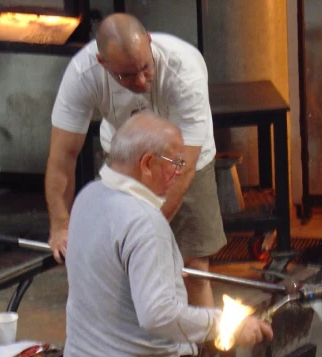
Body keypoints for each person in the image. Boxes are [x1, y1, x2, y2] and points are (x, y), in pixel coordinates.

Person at [64, 112, 273, 357]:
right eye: (175, 163)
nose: (179, 172)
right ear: (147, 163)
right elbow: (158, 316)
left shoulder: (88, 195)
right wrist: (227, 325)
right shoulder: (145, 222)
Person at [46, 13, 226, 307]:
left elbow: (184, 167)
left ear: (150, 43)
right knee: (120, 264)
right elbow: (62, 157)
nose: (141, 81)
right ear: (104, 64)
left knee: (193, 266)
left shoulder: (184, 68)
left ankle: (205, 350)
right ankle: (128, 344)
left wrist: (147, 231)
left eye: (145, 68)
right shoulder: (83, 73)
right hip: (124, 160)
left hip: (185, 159)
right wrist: (60, 225)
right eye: (127, 75)